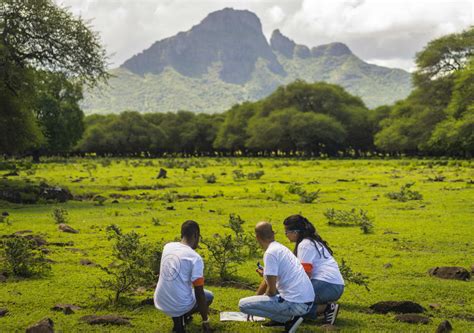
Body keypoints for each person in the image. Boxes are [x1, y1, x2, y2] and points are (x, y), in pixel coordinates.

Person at [239, 222, 315, 333]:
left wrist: (258, 302)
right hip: (307, 301)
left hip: (296, 304)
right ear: (273, 233)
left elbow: (271, 292)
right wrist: (267, 276)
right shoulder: (281, 248)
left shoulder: (270, 253)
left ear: (257, 237)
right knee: (259, 301)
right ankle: (289, 319)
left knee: (243, 305)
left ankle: (288, 320)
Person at [283, 214, 344, 325]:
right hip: (334, 285)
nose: (286, 235)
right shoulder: (312, 242)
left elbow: (306, 274)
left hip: (327, 285)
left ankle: (326, 309)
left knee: (288, 304)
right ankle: (323, 308)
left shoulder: (305, 244)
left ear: (295, 232)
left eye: (286, 232)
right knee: (290, 302)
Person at [154, 220, 213, 333]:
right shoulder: (195, 258)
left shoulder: (168, 246)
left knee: (181, 290)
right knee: (208, 296)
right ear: (196, 235)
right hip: (177, 304)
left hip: (160, 300)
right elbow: (199, 293)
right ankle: (180, 320)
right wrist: (205, 320)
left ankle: (182, 318)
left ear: (182, 235)